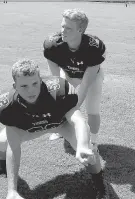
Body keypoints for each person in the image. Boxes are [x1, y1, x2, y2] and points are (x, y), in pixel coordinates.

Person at [0, 59, 109, 199]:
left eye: (35, 83)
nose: (31, 90)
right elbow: (13, 147)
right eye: (24, 86)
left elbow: (78, 120)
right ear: (15, 86)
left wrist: (83, 145)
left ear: (40, 80)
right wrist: (11, 191)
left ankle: (99, 183)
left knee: (90, 151)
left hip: (60, 124)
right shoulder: (8, 105)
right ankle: (3, 166)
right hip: (29, 128)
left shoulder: (58, 89)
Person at [43, 8, 106, 144]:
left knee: (92, 109)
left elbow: (85, 84)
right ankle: (60, 130)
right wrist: (60, 100)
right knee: (59, 102)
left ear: (80, 30)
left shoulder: (93, 47)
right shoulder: (52, 45)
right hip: (67, 74)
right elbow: (56, 80)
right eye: (62, 26)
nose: (63, 31)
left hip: (91, 78)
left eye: (68, 28)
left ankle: (93, 141)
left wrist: (73, 108)